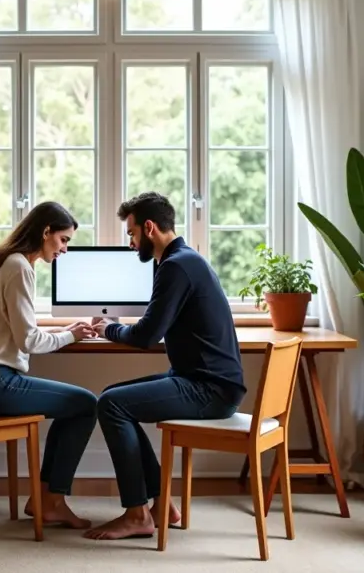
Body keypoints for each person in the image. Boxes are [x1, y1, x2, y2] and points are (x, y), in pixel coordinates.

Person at [83, 192, 247, 540]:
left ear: (150, 227)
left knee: (111, 405)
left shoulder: (176, 266)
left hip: (208, 389)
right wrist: (118, 329)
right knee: (113, 396)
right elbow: (153, 327)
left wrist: (107, 329)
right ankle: (160, 505)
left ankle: (136, 514)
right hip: (201, 380)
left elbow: (146, 335)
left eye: (131, 234)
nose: (130, 243)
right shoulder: (181, 260)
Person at [0, 201, 98, 529]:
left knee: (76, 406)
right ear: (45, 232)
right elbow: (29, 342)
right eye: (63, 240)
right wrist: (73, 338)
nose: (64, 249)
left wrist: (65, 331)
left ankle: (46, 499)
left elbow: (22, 331)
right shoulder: (20, 266)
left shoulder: (7, 262)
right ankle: (49, 500)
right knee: (86, 404)